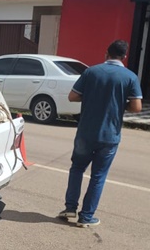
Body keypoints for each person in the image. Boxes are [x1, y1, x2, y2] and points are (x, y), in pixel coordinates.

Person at [58, 40, 142, 227]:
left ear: (107, 53)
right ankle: (86, 217)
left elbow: (73, 96)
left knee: (77, 169)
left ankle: (70, 208)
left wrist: (91, 96)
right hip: (110, 135)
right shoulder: (130, 77)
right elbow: (137, 107)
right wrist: (120, 103)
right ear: (124, 57)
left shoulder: (91, 72)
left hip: (86, 132)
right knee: (98, 176)